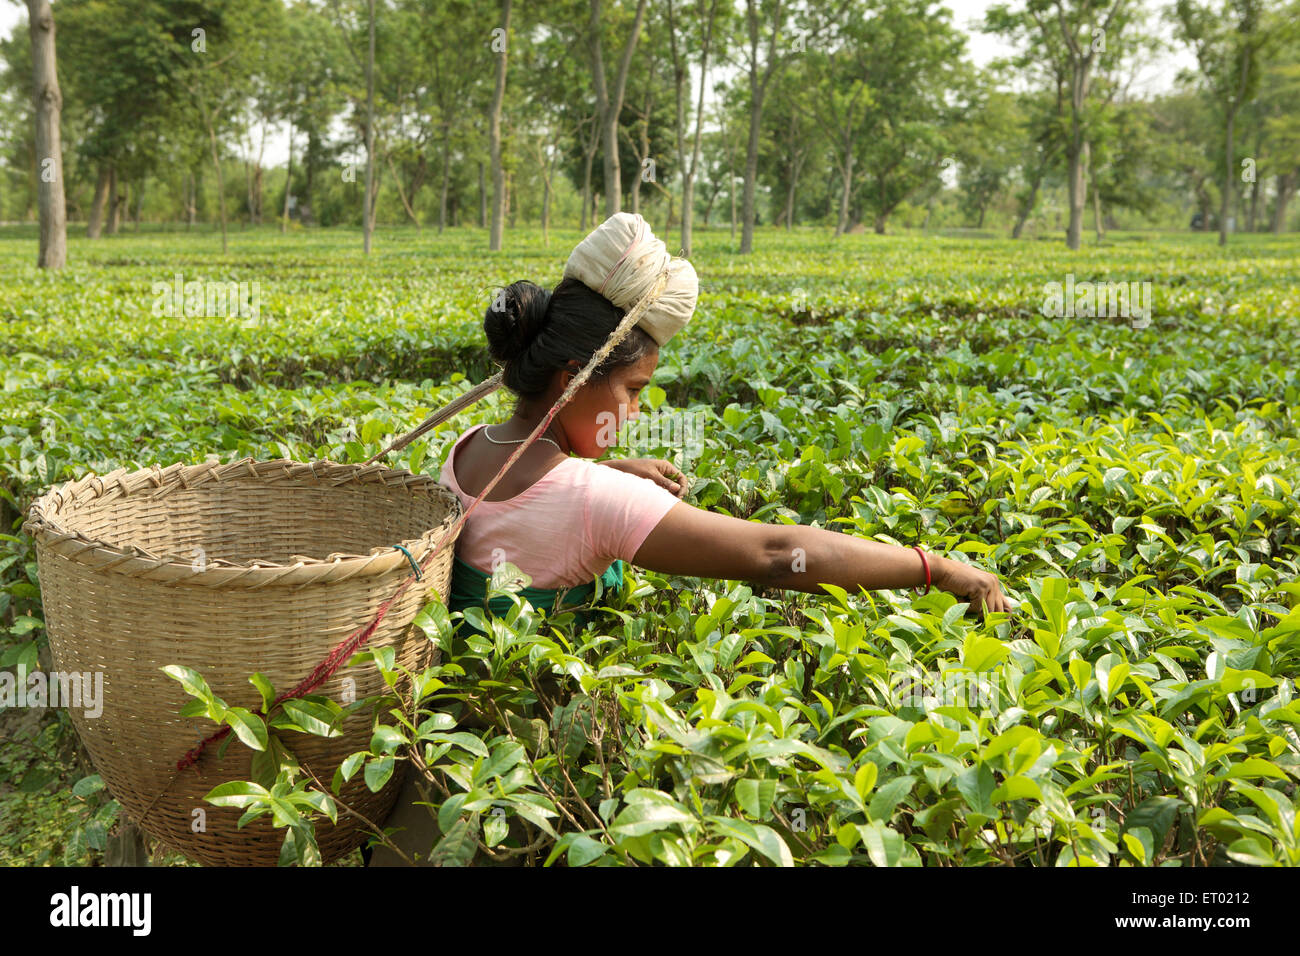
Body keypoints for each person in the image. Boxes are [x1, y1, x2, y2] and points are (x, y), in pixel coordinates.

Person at [365, 213, 1012, 866]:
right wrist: (940, 569)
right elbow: (774, 554)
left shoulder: (470, 448)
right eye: (634, 391)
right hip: (532, 794)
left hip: (451, 761)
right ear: (570, 378)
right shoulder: (593, 501)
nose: (638, 413)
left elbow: (530, 504)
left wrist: (604, 470)